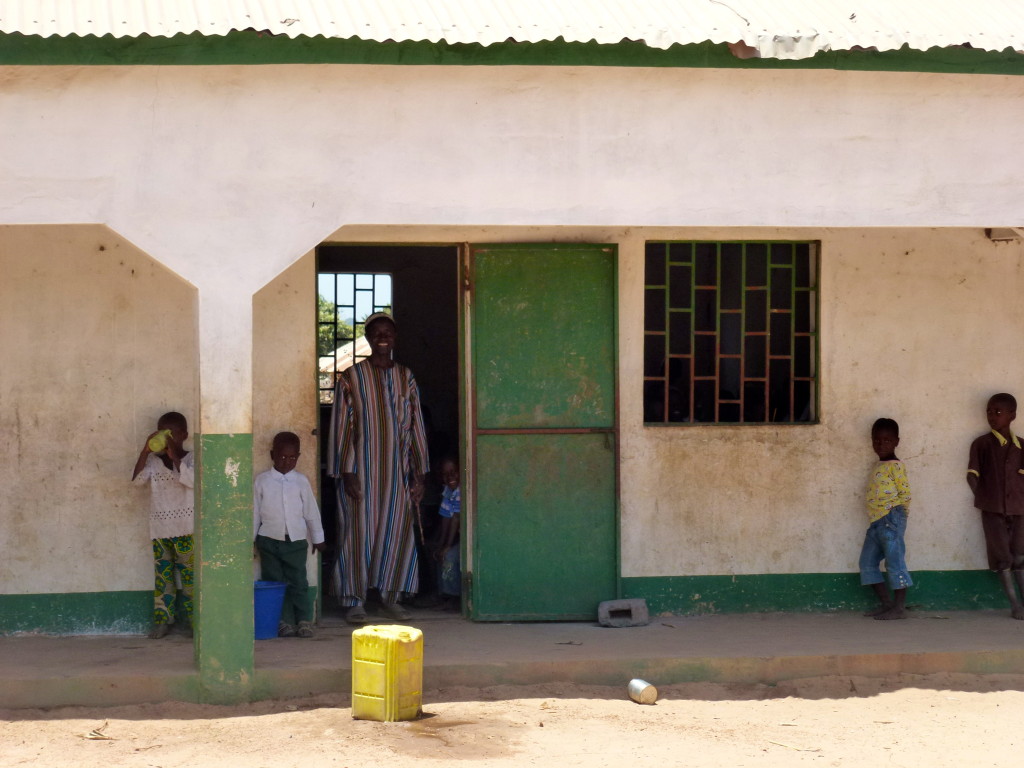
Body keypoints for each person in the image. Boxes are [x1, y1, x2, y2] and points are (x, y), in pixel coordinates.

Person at [328, 312, 429, 624]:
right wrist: (347, 472)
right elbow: (341, 426)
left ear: (394, 338)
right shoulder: (352, 378)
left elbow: (416, 426)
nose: (383, 337)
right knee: (357, 534)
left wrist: (420, 472)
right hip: (362, 472)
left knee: (396, 533)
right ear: (368, 338)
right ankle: (354, 599)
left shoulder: (406, 377)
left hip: (398, 474)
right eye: (376, 332)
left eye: (388, 332)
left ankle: (391, 596)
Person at [253, 431, 326, 638]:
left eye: (292, 457)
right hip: (268, 540)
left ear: (299, 457)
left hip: (295, 541)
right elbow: (255, 513)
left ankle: (304, 620)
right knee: (275, 582)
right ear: (271, 455)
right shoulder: (262, 481)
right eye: (282, 457)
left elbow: (311, 511)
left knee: (298, 581)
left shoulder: (301, 481)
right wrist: (251, 540)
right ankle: (283, 621)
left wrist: (318, 538)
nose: (287, 461)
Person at [132, 411, 195, 639]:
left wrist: (174, 456)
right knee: (163, 579)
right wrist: (145, 451)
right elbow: (137, 482)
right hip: (160, 530)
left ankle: (194, 621)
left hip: (187, 529)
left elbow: (191, 482)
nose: (167, 437)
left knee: (190, 580)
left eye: (172, 433)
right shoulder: (153, 462)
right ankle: (163, 620)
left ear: (184, 435)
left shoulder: (192, 459)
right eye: (162, 433)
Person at [967, 393, 1024, 620]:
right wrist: (986, 500)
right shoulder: (981, 444)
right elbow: (972, 477)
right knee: (1002, 558)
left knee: (1020, 555)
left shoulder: (1022, 446)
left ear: (1012, 416)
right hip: (993, 511)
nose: (992, 416)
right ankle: (1015, 606)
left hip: (1020, 510)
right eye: (989, 411)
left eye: (998, 412)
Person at [859, 417, 912, 620]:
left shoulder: (896, 466)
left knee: (894, 562)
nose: (881, 445)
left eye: (887, 441)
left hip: (890, 519)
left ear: (897, 441)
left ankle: (899, 607)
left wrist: (898, 518)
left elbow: (905, 495)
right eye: (877, 440)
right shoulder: (878, 465)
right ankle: (887, 604)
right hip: (875, 523)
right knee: (866, 563)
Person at [433, 455, 462, 611]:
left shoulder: (461, 490)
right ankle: (442, 593)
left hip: (468, 538)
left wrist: (447, 545)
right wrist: (441, 544)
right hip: (455, 536)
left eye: (454, 472)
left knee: (449, 556)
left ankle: (454, 597)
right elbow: (446, 517)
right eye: (445, 474)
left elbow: (456, 518)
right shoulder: (448, 491)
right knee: (437, 552)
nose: (450, 477)